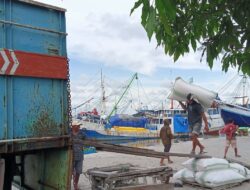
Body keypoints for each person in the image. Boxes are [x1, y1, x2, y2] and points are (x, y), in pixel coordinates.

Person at [71, 120, 85, 190]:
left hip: (80, 155)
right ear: (74, 126)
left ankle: (75, 184)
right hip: (71, 156)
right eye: (78, 126)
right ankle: (72, 183)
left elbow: (87, 140)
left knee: (78, 171)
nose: (79, 127)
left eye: (79, 125)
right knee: (70, 171)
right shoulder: (69, 133)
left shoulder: (81, 133)